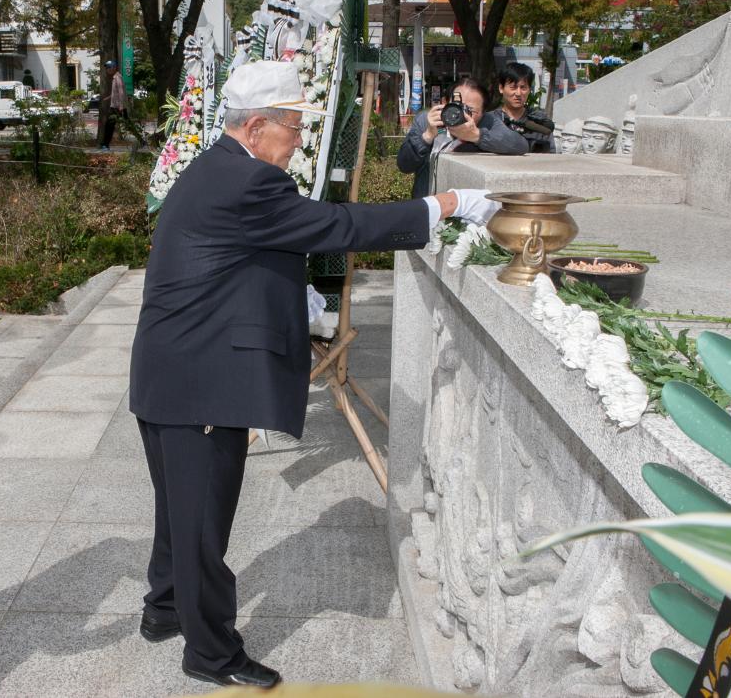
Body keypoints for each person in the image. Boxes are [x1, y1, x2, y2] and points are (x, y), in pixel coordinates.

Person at [129, 61, 473, 690]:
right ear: (256, 127)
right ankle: (211, 653)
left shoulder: (216, 168)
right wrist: (438, 206)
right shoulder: (248, 183)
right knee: (203, 517)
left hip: (170, 372)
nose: (299, 138)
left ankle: (164, 610)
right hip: (199, 380)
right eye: (293, 126)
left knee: (178, 507)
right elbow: (337, 227)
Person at [396, 77, 527, 199]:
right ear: (444, 102)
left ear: (483, 113)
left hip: (465, 209)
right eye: (456, 105)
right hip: (428, 205)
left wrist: (478, 136)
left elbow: (520, 145)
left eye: (469, 110)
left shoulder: (488, 123)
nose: (459, 113)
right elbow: (404, 165)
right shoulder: (426, 120)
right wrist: (427, 136)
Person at [491, 62, 555, 152]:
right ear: (501, 88)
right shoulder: (490, 120)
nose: (518, 93)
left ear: (529, 90)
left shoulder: (540, 121)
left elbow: (551, 155)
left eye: (523, 88)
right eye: (513, 87)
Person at [97, 59, 128, 151]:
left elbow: (121, 92)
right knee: (126, 125)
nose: (107, 70)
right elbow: (117, 93)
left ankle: (105, 145)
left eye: (109, 67)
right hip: (116, 106)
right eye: (107, 68)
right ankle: (105, 144)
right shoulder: (115, 77)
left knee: (109, 126)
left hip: (117, 107)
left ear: (114, 68)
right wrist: (108, 97)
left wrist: (121, 106)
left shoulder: (117, 78)